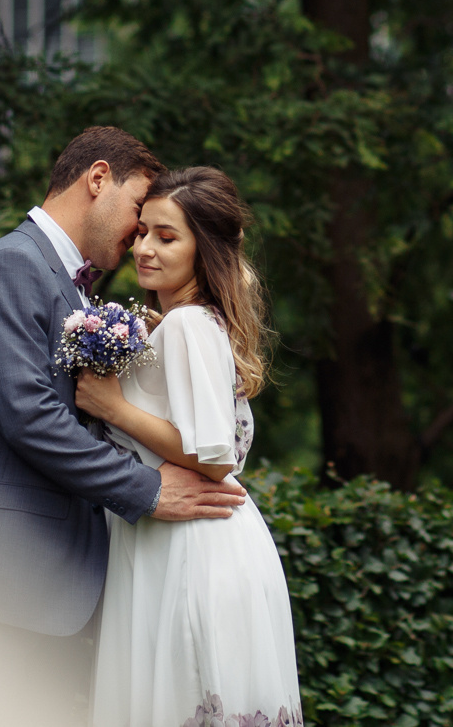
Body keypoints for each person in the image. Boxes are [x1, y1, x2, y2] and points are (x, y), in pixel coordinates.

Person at [0, 128, 246, 713]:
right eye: (137, 210)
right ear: (98, 179)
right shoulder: (12, 266)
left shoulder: (68, 284)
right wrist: (150, 489)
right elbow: (30, 417)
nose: (137, 235)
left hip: (34, 586)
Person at [73, 167, 303, 727]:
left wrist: (113, 408)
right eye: (143, 233)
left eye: (167, 237)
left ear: (207, 251)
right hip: (188, 537)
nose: (145, 249)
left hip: (189, 546)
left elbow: (217, 454)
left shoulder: (189, 327)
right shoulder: (184, 323)